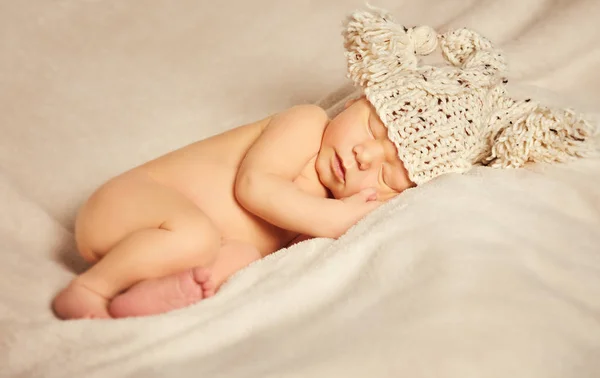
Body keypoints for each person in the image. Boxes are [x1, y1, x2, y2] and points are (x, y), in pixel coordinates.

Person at [52, 5, 597, 320]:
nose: (363, 157)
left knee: (235, 257)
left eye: (386, 173)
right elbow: (255, 187)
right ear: (363, 99)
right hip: (127, 205)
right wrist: (337, 221)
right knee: (196, 236)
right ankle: (92, 290)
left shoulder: (309, 211)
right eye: (375, 127)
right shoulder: (306, 124)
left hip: (160, 244)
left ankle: (149, 296)